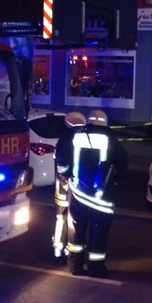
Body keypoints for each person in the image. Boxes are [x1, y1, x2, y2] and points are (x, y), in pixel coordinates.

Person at [66, 108, 128, 278]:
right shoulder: (111, 139)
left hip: (78, 192)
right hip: (100, 197)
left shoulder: (77, 136)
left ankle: (75, 265)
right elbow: (122, 164)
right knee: (99, 232)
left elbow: (65, 159)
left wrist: (67, 177)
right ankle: (96, 268)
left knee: (76, 230)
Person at [52, 111, 87, 265]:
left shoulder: (65, 139)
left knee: (65, 219)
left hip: (66, 185)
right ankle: (61, 250)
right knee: (65, 218)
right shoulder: (67, 141)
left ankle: (61, 250)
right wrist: (68, 180)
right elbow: (62, 167)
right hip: (66, 186)